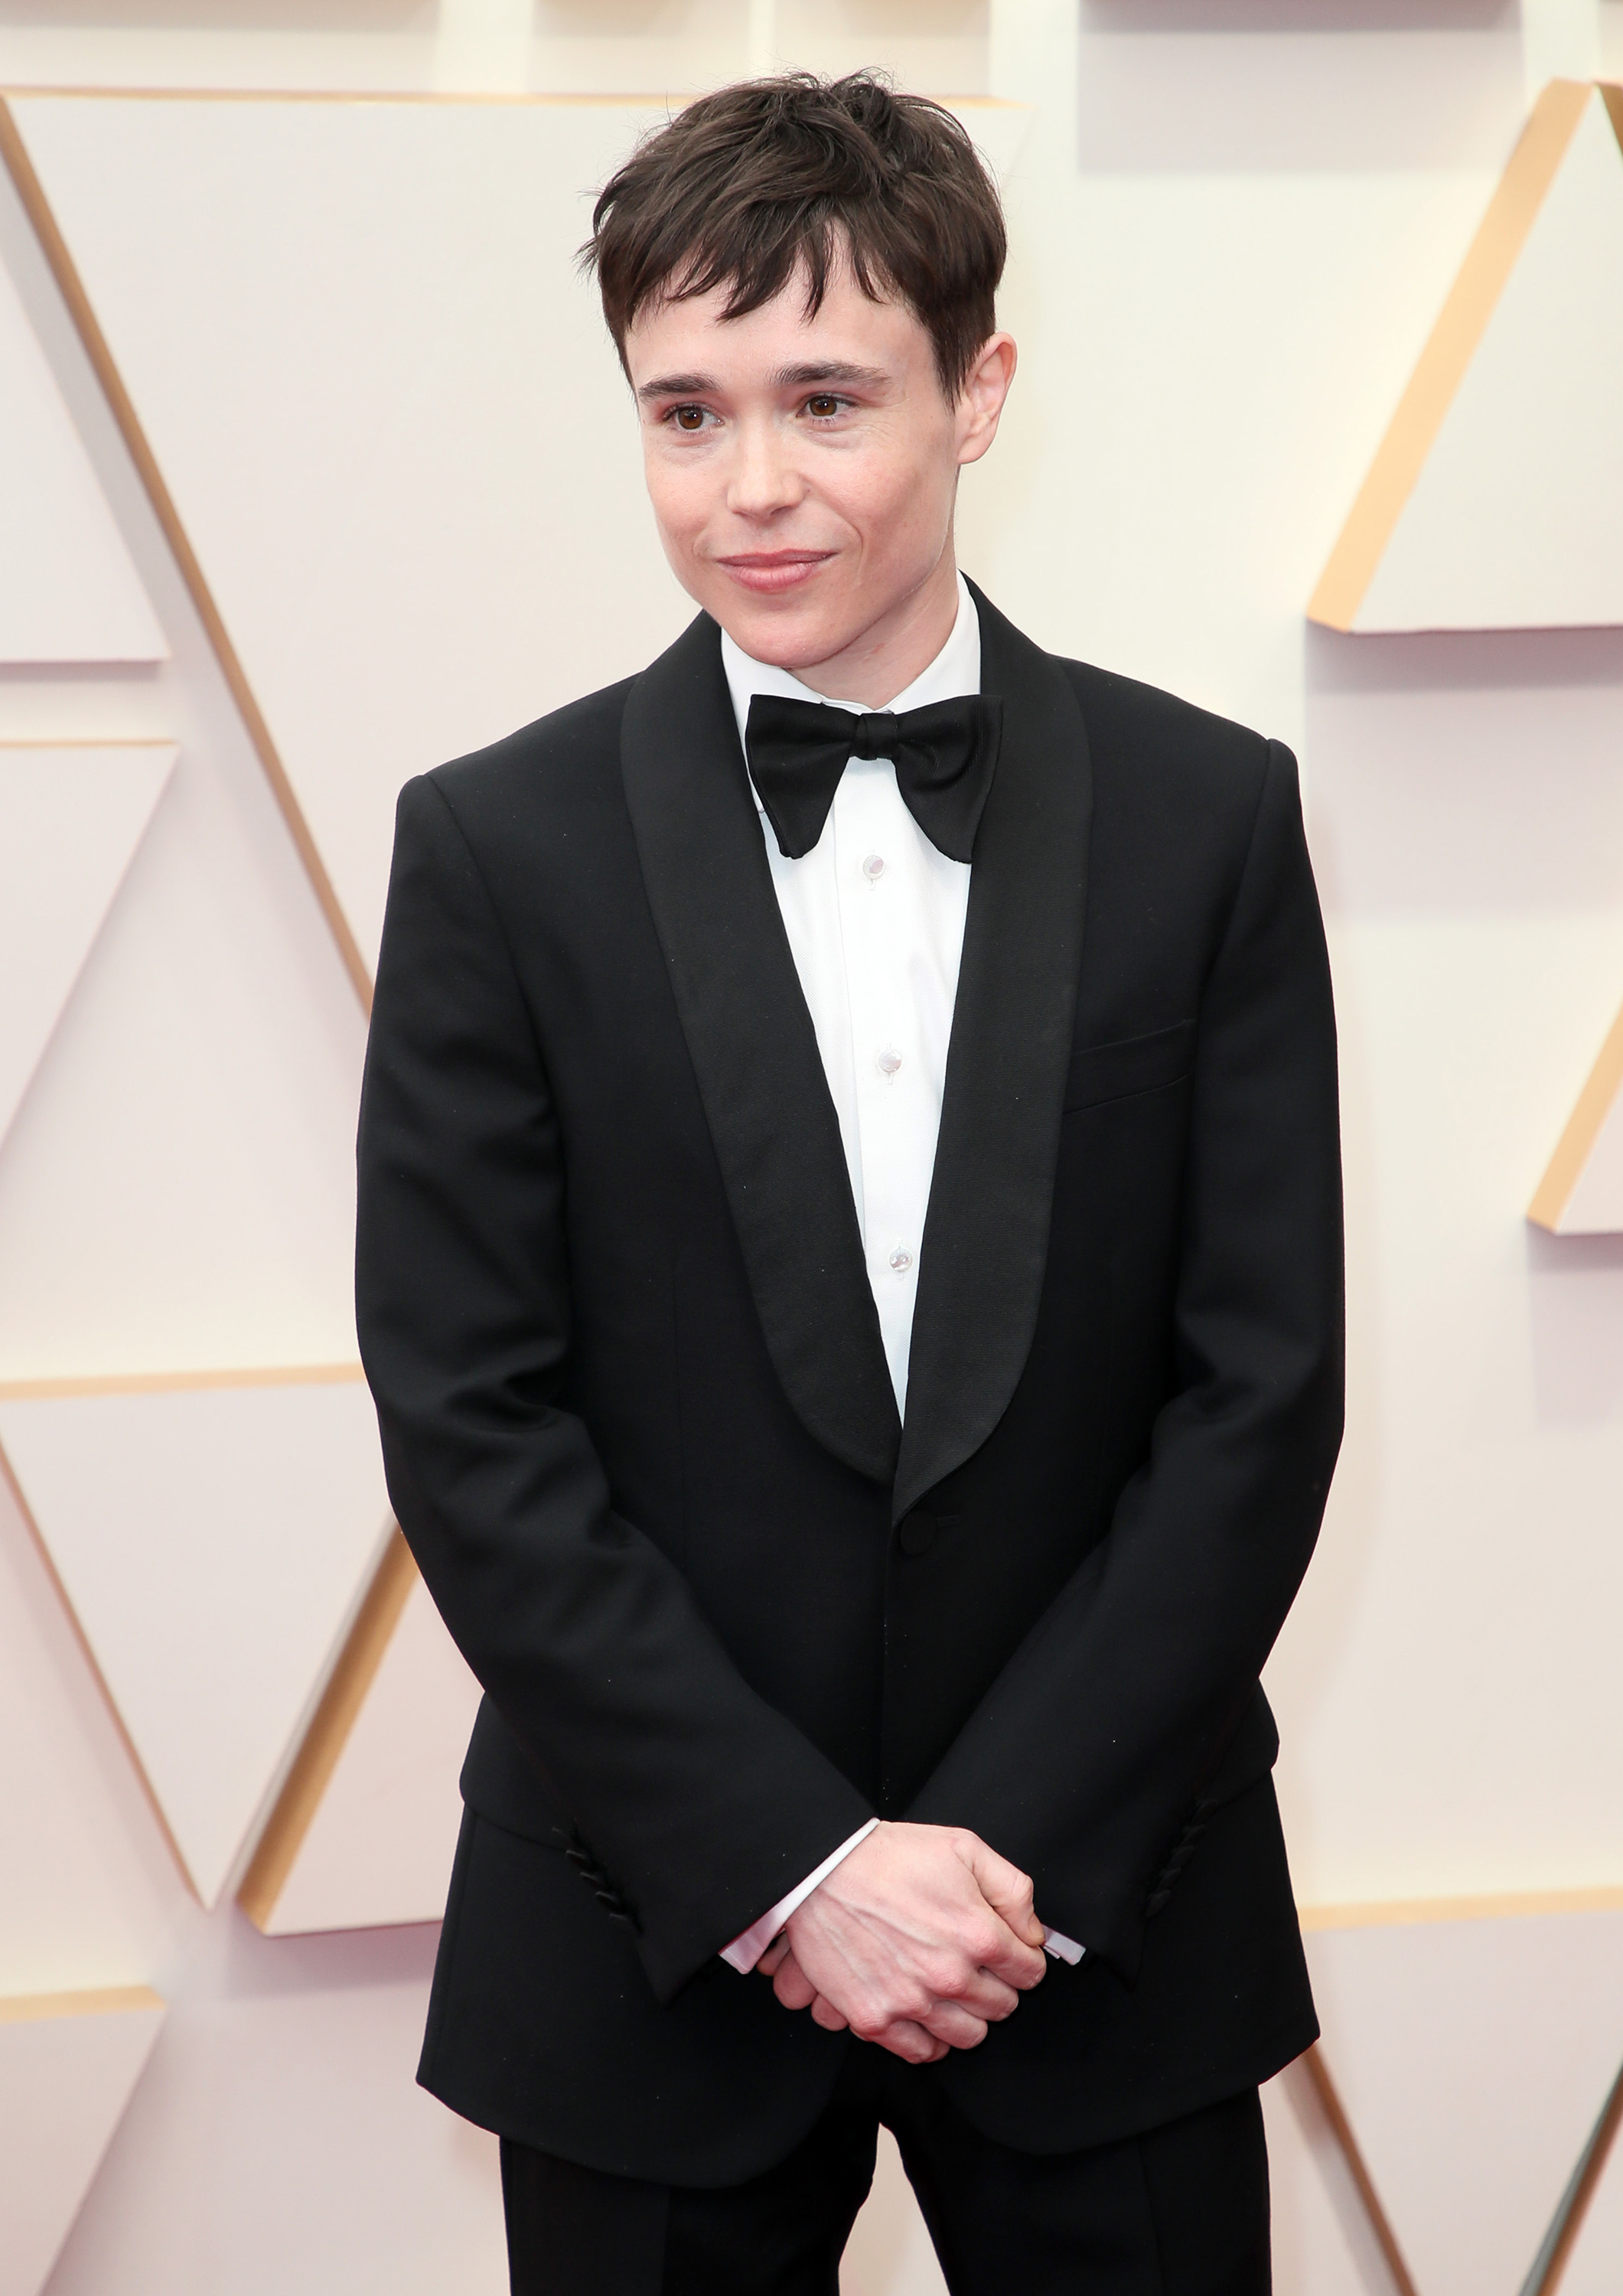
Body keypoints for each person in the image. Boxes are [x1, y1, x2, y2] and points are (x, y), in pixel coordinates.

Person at [355, 70, 1343, 2296]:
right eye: (683, 414)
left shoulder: (1212, 820)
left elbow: (1255, 1392)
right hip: (648, 1929)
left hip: (1105, 1926)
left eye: (825, 397)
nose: (754, 487)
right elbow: (473, 1420)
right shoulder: (494, 851)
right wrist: (796, 1866)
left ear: (977, 390)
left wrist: (1000, 1860)